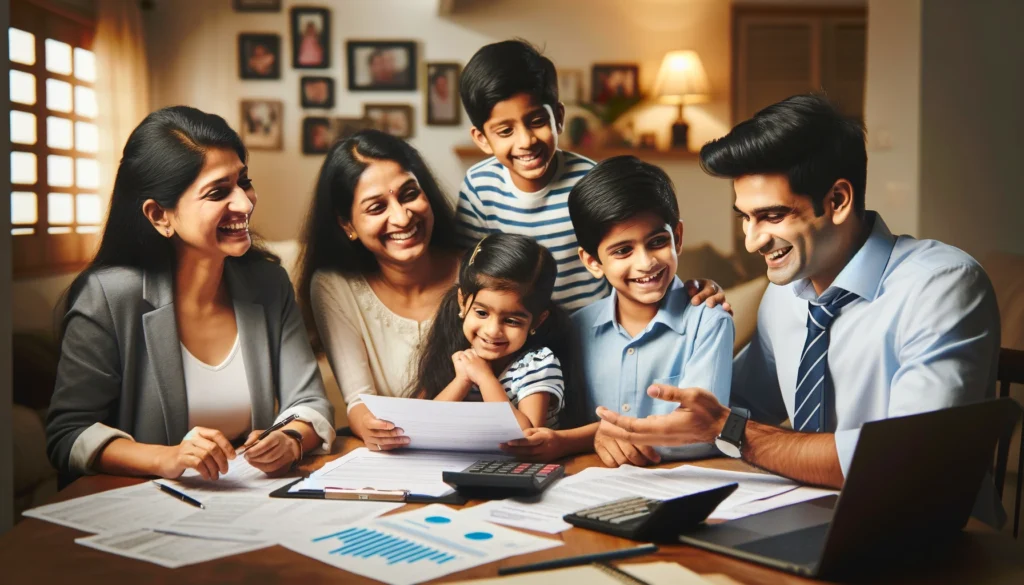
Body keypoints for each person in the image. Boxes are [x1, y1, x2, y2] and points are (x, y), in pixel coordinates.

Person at [595, 95, 1001, 503]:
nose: (752, 241)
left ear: (837, 201)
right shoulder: (786, 296)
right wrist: (628, 432)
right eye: (746, 218)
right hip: (800, 512)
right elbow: (723, 407)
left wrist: (728, 429)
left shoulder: (941, 287)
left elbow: (904, 461)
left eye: (771, 216)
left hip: (921, 533)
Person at [46, 106, 335, 486]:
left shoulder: (268, 284)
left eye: (243, 181)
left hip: (249, 502)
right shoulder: (108, 296)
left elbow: (312, 403)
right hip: (141, 507)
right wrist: (167, 458)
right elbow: (68, 435)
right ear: (159, 216)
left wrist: (290, 438)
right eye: (219, 192)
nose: (245, 204)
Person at [502, 156, 734, 465]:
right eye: (623, 250)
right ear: (592, 262)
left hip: (681, 482)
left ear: (677, 237)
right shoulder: (576, 328)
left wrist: (585, 439)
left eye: (657, 241)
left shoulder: (709, 320)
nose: (646, 262)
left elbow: (704, 429)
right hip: (587, 480)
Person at [296, 130, 463, 451]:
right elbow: (360, 400)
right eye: (376, 208)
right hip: (400, 455)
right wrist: (370, 426)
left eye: (409, 193)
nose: (402, 217)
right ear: (347, 225)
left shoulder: (473, 269)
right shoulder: (334, 286)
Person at [415, 234, 570, 431]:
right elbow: (422, 423)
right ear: (463, 302)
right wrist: (462, 380)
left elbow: (526, 435)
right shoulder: (455, 351)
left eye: (511, 321)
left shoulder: (537, 364)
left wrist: (484, 378)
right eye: (481, 313)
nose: (492, 331)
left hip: (520, 462)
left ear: (537, 320)